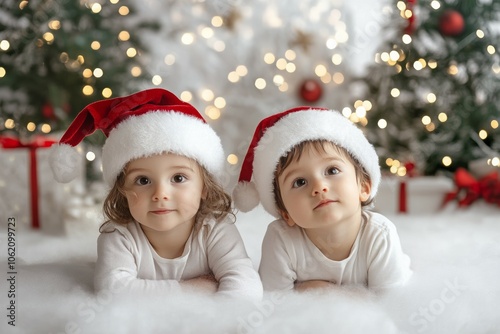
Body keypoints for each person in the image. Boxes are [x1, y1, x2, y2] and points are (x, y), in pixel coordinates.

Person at [49, 88, 263, 299]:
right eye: (143, 180)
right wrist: (192, 288)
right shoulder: (119, 236)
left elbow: (246, 286)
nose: (160, 194)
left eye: (178, 178)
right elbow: (113, 292)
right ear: (122, 191)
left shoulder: (215, 231)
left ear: (204, 188)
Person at [233, 107, 412, 292]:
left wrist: (319, 290)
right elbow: (274, 304)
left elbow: (389, 305)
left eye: (332, 171)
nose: (319, 187)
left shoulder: (379, 235)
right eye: (300, 182)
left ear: (364, 187)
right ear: (285, 212)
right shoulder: (281, 239)